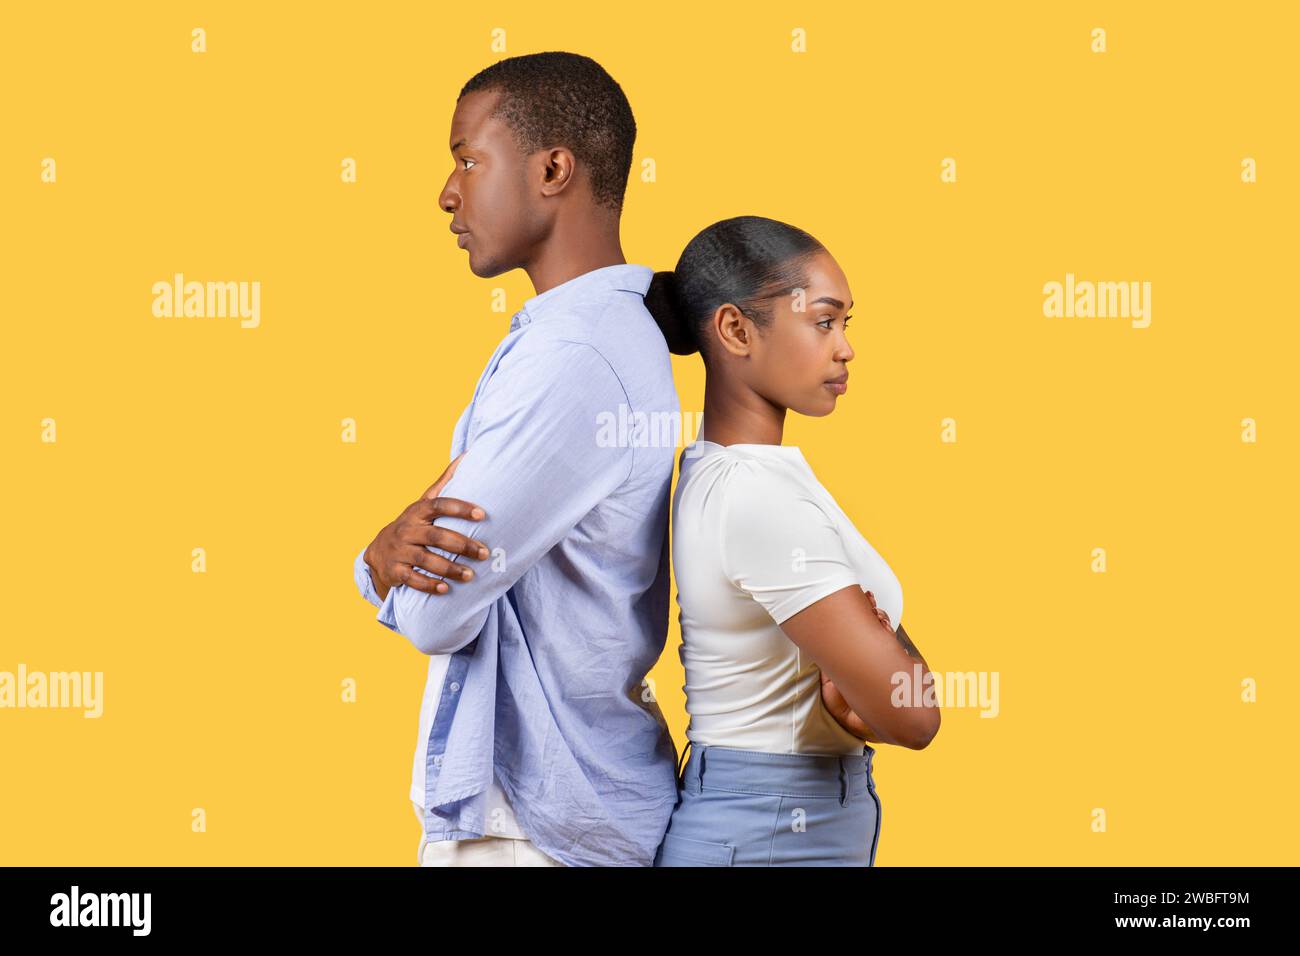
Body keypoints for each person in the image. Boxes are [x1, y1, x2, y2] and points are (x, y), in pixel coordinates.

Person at [352, 52, 681, 867]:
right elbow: (408, 565)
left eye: (468, 157)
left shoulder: (575, 357)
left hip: (539, 832)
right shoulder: (585, 339)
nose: (448, 192)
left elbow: (430, 611)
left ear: (553, 169)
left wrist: (381, 566)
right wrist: (378, 560)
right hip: (553, 821)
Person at [643, 216, 941, 866]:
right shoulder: (757, 496)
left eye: (846, 324)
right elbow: (914, 713)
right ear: (735, 330)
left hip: (771, 821)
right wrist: (875, 667)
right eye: (824, 321)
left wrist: (873, 666)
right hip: (770, 829)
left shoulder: (737, 474)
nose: (845, 349)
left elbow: (891, 690)